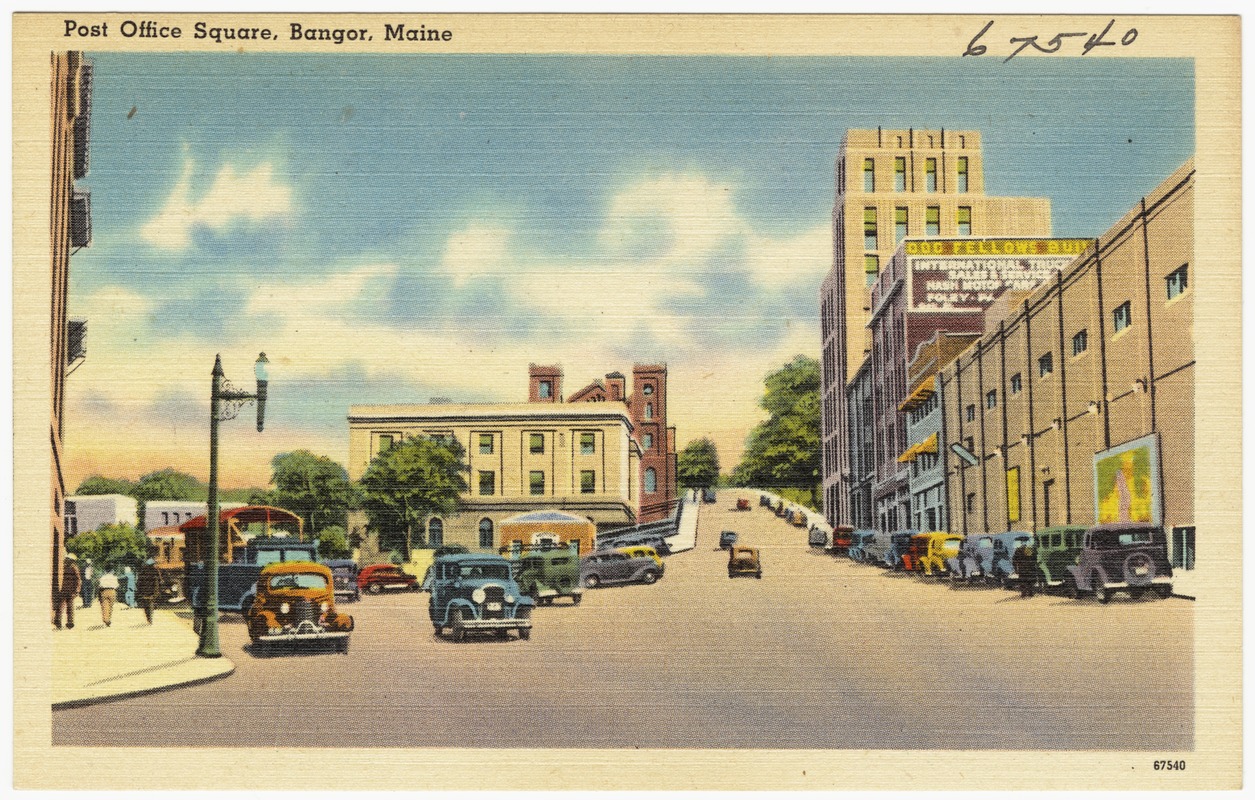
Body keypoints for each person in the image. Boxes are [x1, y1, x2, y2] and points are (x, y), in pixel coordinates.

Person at [55, 554, 82, 629]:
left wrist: (77, 590)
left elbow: (78, 580)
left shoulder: (74, 568)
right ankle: (58, 622)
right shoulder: (64, 567)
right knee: (61, 607)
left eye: (68, 559)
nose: (67, 560)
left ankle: (69, 623)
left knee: (69, 608)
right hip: (64, 589)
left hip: (70, 591)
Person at [136, 556, 164, 624]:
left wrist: (139, 590)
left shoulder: (142, 571)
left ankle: (148, 618)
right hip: (152, 591)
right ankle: (150, 618)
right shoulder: (155, 571)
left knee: (146, 605)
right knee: (150, 603)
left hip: (144, 591)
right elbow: (160, 581)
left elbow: (138, 582)